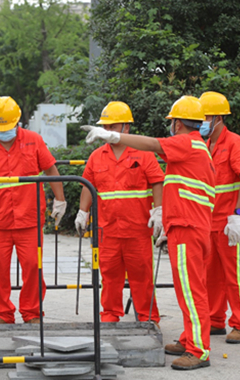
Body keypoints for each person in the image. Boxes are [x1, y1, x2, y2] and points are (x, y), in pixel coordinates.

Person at [82, 95, 215, 370]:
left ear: (177, 123)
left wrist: (113, 137)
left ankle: (198, 351)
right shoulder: (196, 147)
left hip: (188, 228)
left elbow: (153, 146)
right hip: (186, 225)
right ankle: (190, 339)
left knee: (191, 292)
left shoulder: (187, 142)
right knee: (188, 289)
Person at [0, 96, 67, 324]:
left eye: (7, 127)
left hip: (29, 219)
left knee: (32, 268)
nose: (4, 132)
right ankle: (1, 314)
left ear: (18, 122)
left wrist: (60, 200)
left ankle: (32, 313)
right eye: (0, 128)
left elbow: (50, 169)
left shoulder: (33, 141)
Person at [75, 101, 165, 324]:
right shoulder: (97, 156)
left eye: (112, 126)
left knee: (142, 277)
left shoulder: (143, 153)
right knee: (110, 277)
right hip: (108, 230)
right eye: (105, 126)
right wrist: (82, 212)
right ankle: (109, 316)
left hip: (137, 229)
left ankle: (147, 318)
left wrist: (159, 210)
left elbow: (157, 182)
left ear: (126, 127)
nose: (107, 131)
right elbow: (87, 185)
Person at [199, 91, 240, 343]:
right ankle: (215, 320)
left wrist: (239, 216)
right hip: (210, 222)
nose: (201, 122)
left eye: (205, 117)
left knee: (235, 275)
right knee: (211, 275)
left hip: (231, 222)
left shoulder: (235, 144)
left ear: (218, 117)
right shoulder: (204, 146)